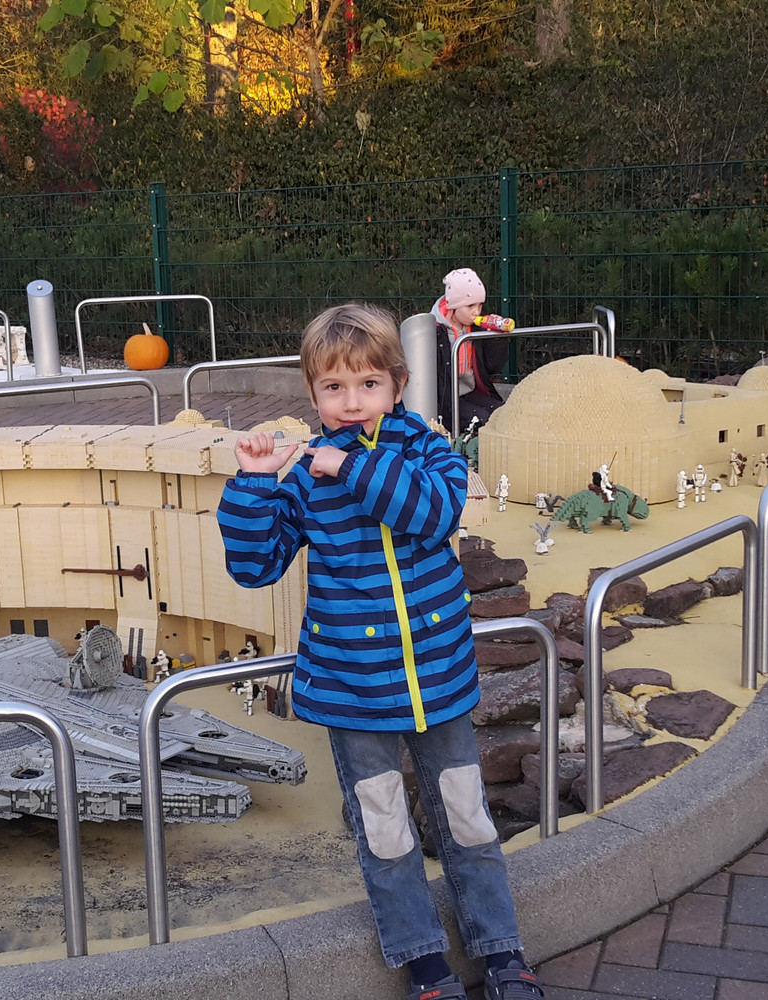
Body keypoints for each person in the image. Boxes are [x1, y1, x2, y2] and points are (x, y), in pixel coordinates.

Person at [217, 303, 544, 1000]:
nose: (352, 401)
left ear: (397, 385)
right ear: (312, 395)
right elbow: (254, 566)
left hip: (438, 678)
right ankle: (424, 962)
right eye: (333, 387)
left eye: (368, 384)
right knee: (386, 830)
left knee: (467, 816)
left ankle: (502, 950)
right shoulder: (302, 475)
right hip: (354, 688)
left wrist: (351, 467)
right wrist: (252, 485)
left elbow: (434, 513)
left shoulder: (427, 448)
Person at [431, 267, 508, 432]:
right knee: (481, 420)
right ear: (453, 306)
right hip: (445, 399)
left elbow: (493, 367)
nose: (476, 312)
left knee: (503, 413)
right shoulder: (434, 332)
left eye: (480, 305)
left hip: (471, 391)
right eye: (470, 306)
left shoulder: (475, 329)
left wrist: (496, 338)